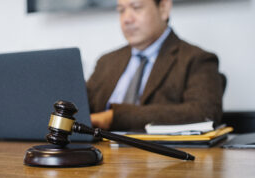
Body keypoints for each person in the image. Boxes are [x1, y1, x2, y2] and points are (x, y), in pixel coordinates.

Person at [87, 0, 223, 131]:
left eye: (136, 7)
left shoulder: (197, 59)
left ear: (163, 8)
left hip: (157, 153)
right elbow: (79, 107)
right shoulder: (106, 62)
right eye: (121, 10)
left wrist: (114, 117)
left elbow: (204, 113)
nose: (126, 19)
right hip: (96, 151)